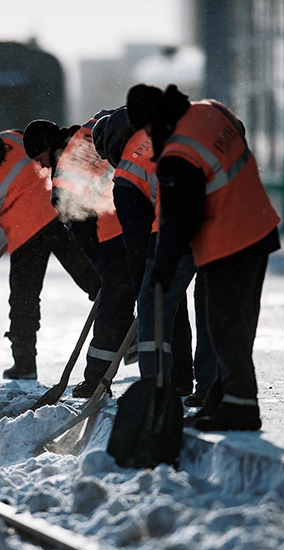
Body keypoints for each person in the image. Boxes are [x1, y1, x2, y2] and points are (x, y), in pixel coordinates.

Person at [125, 83, 281, 431]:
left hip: (229, 242)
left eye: (146, 128)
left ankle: (241, 408)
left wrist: (164, 265)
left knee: (225, 327)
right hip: (259, 227)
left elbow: (179, 217)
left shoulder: (178, 153)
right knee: (237, 324)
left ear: (152, 120)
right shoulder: (211, 110)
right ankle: (222, 400)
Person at [0, 129, 101, 380]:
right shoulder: (11, 137)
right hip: (61, 210)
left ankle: (25, 364)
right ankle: (123, 332)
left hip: (27, 233)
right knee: (91, 277)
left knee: (24, 300)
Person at [92, 108, 215, 402]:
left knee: (153, 311)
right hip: (227, 220)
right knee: (211, 309)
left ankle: (155, 392)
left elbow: (137, 247)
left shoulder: (128, 171)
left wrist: (141, 292)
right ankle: (211, 388)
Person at [21, 115, 136, 398]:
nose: (42, 166)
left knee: (113, 305)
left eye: (40, 158)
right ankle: (177, 377)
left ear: (48, 145)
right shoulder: (91, 129)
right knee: (164, 300)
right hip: (147, 219)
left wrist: (104, 272)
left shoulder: (63, 184)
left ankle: (96, 380)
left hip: (115, 236)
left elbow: (87, 241)